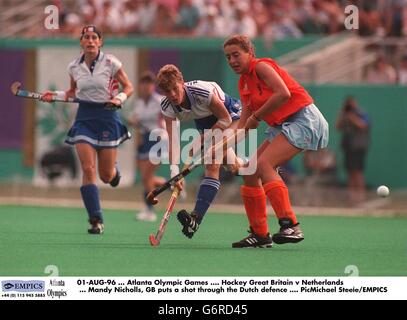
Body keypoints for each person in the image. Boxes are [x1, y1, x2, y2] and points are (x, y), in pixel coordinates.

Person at [223, 34, 329, 248]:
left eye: (236, 55)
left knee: (264, 164)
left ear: (249, 53)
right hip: (283, 124)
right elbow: (243, 125)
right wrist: (222, 147)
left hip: (303, 117)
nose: (232, 61)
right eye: (228, 57)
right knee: (250, 170)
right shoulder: (244, 83)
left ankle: (290, 225)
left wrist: (256, 117)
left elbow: (283, 93)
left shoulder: (261, 67)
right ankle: (260, 235)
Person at [41, 25, 134, 234]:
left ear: (100, 42)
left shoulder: (111, 63)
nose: (90, 41)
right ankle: (95, 219)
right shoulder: (74, 67)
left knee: (106, 176)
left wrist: (119, 98)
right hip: (84, 119)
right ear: (81, 42)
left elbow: (129, 87)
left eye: (94, 37)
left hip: (108, 118)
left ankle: (114, 173)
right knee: (87, 168)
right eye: (86, 37)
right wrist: (53, 95)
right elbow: (72, 92)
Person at [156, 64, 243, 239]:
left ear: (182, 82)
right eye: (167, 91)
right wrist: (175, 173)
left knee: (211, 162)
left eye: (175, 88)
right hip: (206, 122)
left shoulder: (200, 92)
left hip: (231, 116)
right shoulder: (167, 106)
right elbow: (173, 140)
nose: (172, 95)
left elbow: (225, 119)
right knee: (234, 167)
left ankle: (195, 219)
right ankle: (263, 168)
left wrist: (203, 139)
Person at [128, 71, 167, 222]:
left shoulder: (160, 101)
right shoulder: (138, 103)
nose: (146, 86)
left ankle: (149, 210)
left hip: (158, 139)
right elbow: (136, 120)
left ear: (153, 86)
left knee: (147, 176)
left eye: (149, 83)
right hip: (145, 139)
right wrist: (133, 121)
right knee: (146, 179)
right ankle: (171, 184)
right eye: (144, 83)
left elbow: (168, 118)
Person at [336, 96, 370, 203]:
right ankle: (352, 197)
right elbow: (337, 126)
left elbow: (363, 125)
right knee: (350, 171)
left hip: (358, 146)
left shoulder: (361, 113)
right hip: (348, 147)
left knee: (358, 172)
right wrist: (343, 114)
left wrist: (352, 117)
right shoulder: (345, 115)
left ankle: (361, 197)